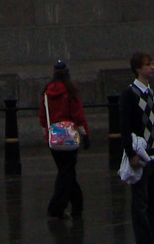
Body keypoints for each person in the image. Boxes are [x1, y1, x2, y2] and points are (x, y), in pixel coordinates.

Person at [39, 59, 90, 219]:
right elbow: (78, 115)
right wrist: (85, 134)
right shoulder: (70, 91)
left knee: (65, 171)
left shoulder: (47, 93)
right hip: (69, 138)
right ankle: (56, 207)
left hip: (54, 138)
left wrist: (47, 134)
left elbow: (43, 117)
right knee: (66, 173)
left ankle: (77, 205)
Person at [122, 51, 154, 244]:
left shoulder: (152, 92)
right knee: (140, 204)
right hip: (141, 156)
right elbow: (125, 126)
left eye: (152, 63)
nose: (152, 67)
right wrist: (131, 154)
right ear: (138, 69)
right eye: (147, 64)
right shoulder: (130, 94)